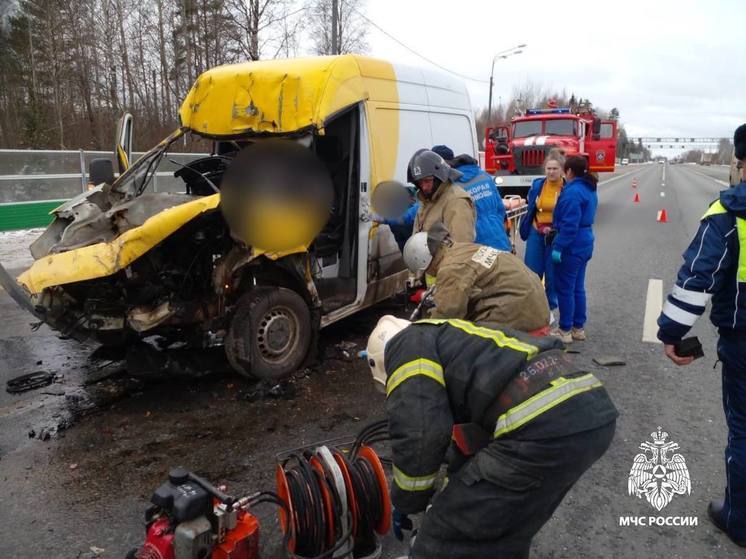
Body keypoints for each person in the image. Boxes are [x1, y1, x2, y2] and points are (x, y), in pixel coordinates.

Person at [364, 315, 618, 559]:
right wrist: (450, 490)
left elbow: (420, 434)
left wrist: (407, 499)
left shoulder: (404, 346)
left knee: (445, 533)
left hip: (543, 423)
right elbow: (474, 449)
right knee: (504, 528)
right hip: (591, 411)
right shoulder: (453, 340)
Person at [656, 123, 746, 548]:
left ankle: (739, 518)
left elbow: (696, 281)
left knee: (744, 431)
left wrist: (671, 333)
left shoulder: (728, 215)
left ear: (741, 165)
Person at [402, 222, 549, 332]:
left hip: (520, 316)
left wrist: (418, 332)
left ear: (424, 260)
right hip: (536, 306)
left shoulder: (451, 268)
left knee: (462, 348)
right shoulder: (463, 249)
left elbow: (445, 316)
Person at [550, 155, 598, 344]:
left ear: (569, 171)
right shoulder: (588, 187)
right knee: (578, 287)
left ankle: (565, 330)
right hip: (585, 242)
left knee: (565, 289)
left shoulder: (572, 192)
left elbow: (570, 225)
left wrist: (559, 247)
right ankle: (578, 328)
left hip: (572, 244)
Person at [431, 144, 512, 251]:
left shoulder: (451, 185)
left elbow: (424, 208)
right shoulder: (484, 175)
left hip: (476, 246)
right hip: (499, 239)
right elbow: (500, 209)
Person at [519, 151, 566, 317]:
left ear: (562, 170)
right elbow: (531, 205)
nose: (551, 172)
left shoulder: (567, 188)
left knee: (552, 275)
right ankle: (531, 307)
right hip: (535, 231)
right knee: (532, 272)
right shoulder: (538, 184)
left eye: (555, 168)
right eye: (548, 168)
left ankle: (549, 310)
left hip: (555, 234)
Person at [408, 149, 476, 242]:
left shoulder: (456, 201)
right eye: (420, 182)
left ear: (438, 177)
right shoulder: (427, 201)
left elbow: (461, 246)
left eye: (427, 181)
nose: (424, 187)